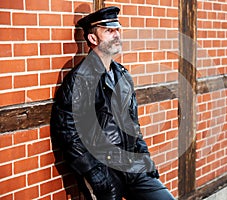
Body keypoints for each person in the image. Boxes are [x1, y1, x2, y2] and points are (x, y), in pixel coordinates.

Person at [50, 6, 175, 200]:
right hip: (103, 169)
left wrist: (145, 158)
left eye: (117, 29)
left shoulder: (123, 75)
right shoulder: (79, 79)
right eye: (109, 31)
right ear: (93, 39)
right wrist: (92, 172)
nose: (116, 34)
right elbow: (67, 132)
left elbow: (133, 124)